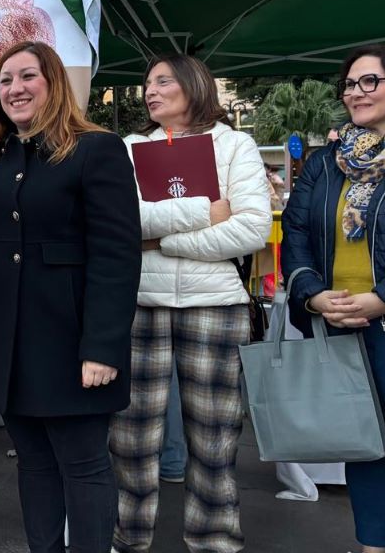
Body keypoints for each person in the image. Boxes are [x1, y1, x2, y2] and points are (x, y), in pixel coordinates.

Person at [0, 41, 140, 553]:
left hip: (69, 339)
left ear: (54, 83)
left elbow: (116, 255)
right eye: (6, 79)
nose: (15, 88)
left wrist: (102, 346)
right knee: (34, 463)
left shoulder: (96, 149)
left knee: (82, 466)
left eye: (28, 76)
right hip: (4, 342)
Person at [111, 54, 271, 553]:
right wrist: (204, 211)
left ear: (195, 84)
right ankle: (127, 538)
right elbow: (120, 224)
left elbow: (251, 228)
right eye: (146, 84)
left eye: (162, 81)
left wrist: (162, 241)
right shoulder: (130, 147)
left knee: (216, 438)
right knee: (131, 439)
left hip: (215, 304)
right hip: (141, 302)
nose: (149, 91)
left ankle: (215, 541)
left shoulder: (235, 143)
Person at [282, 44, 385, 553]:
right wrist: (313, 295)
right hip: (342, 325)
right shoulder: (327, 162)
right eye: (349, 84)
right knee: (366, 444)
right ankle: (372, 544)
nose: (355, 92)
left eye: (370, 81)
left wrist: (382, 298)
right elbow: (296, 232)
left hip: (382, 317)